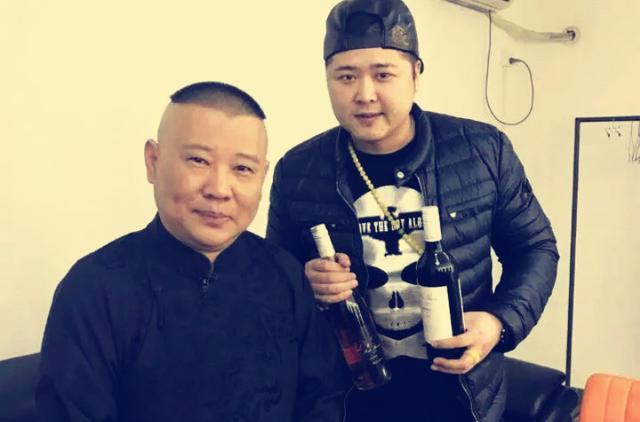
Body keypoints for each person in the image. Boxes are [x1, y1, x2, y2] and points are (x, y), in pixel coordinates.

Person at [266, 1, 559, 421]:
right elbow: (275, 283)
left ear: (416, 75)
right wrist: (305, 282)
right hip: (346, 397)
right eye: (346, 76)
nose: (364, 94)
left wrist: (499, 322)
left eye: (383, 74)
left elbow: (535, 248)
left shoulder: (482, 150)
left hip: (463, 395)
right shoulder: (298, 170)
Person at [36, 81, 346, 422]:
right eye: (198, 161)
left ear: (262, 176)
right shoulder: (95, 289)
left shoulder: (285, 275)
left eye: (242, 168)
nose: (219, 189)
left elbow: (322, 402)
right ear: (153, 161)